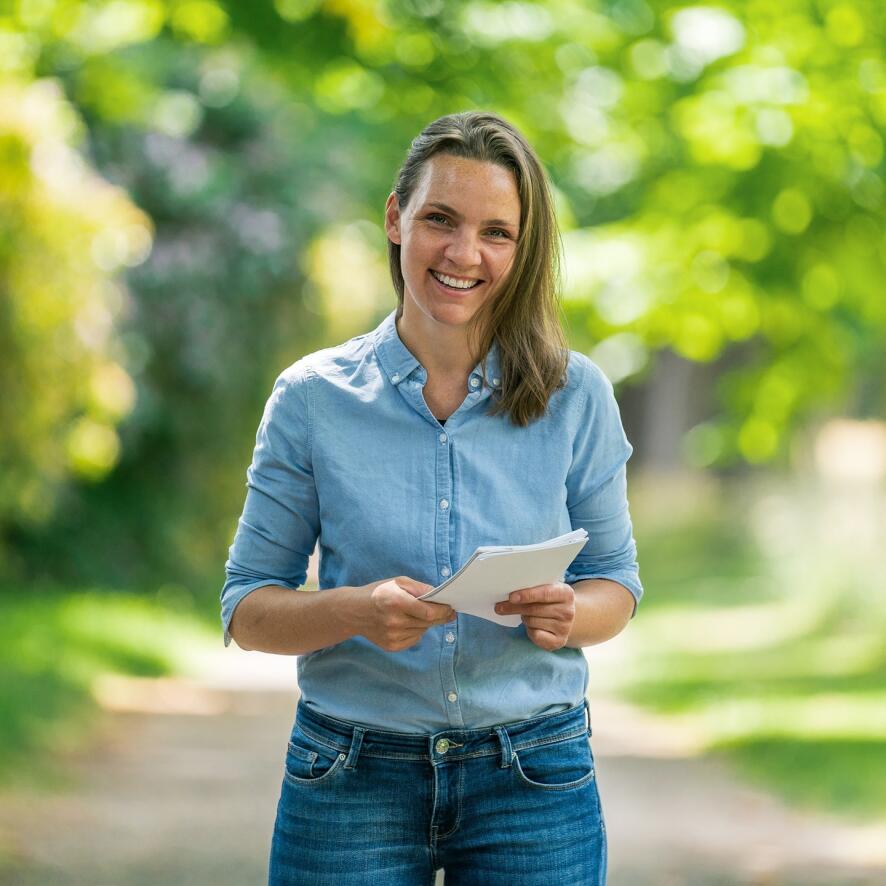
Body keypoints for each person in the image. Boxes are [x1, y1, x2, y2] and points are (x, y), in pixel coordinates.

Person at [221, 110, 643, 885]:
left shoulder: (575, 394)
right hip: (349, 775)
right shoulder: (312, 398)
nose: (463, 253)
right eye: (440, 220)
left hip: (534, 777)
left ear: (523, 249)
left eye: (497, 232)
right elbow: (247, 610)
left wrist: (569, 613)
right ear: (395, 219)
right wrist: (354, 610)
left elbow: (617, 581)